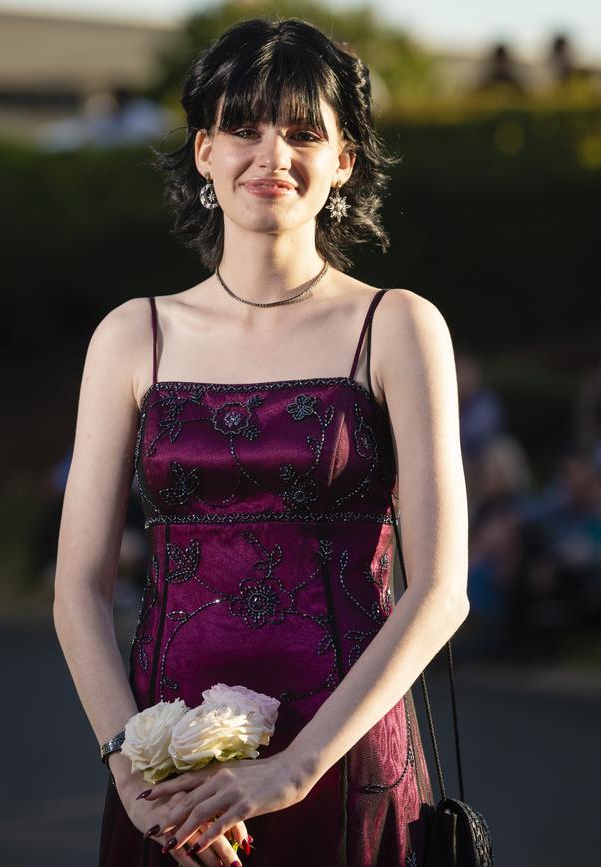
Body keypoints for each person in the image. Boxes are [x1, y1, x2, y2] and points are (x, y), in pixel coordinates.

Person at [53, 17, 470, 867]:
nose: (272, 154)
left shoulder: (397, 326)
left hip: (344, 757)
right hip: (167, 772)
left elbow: (442, 589)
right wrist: (133, 775)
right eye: (245, 127)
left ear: (344, 162)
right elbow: (76, 590)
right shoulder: (134, 335)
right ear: (205, 151)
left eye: (304, 132)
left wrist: (294, 768)